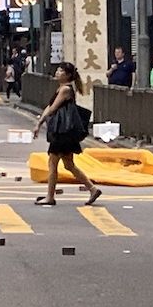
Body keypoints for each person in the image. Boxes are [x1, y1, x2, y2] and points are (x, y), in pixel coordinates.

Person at [32, 62, 102, 207]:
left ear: (68, 75)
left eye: (61, 71)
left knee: (53, 163)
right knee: (69, 164)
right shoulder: (63, 88)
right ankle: (93, 189)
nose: (57, 72)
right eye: (57, 70)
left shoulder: (65, 89)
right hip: (65, 132)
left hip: (62, 133)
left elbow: (53, 108)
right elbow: (49, 107)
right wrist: (39, 123)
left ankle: (50, 197)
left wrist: (40, 123)